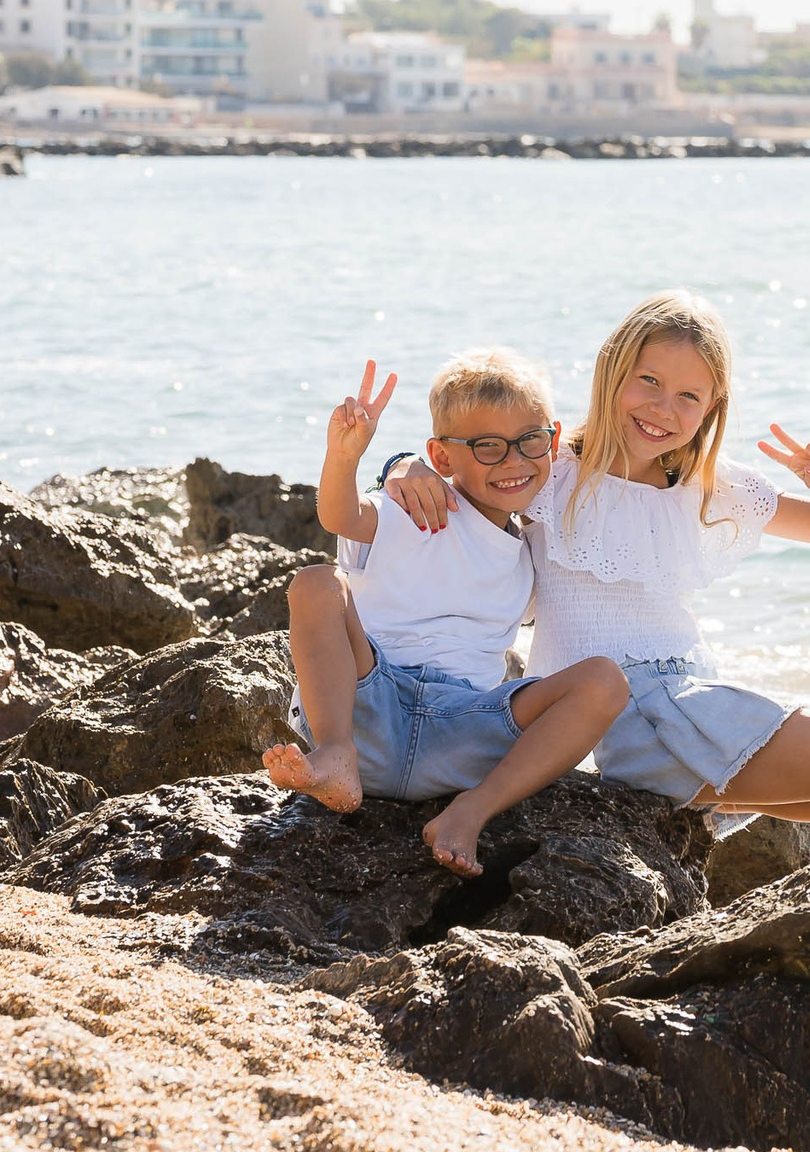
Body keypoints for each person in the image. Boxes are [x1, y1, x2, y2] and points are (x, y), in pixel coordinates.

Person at [380, 291, 810, 840]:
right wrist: (401, 465)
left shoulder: (710, 490)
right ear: (611, 372)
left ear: (711, 408)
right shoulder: (553, 470)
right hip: (619, 719)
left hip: (687, 701)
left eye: (689, 396)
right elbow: (468, 467)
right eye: (649, 381)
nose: (663, 409)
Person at [262, 350, 634, 877]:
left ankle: (472, 810)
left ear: (551, 439)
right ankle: (335, 756)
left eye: (530, 441)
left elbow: (611, 453)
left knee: (605, 682)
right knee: (316, 583)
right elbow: (339, 513)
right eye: (487, 447)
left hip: (462, 730)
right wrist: (347, 457)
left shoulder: (531, 551)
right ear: (442, 457)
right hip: (369, 701)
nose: (513, 462)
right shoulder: (416, 505)